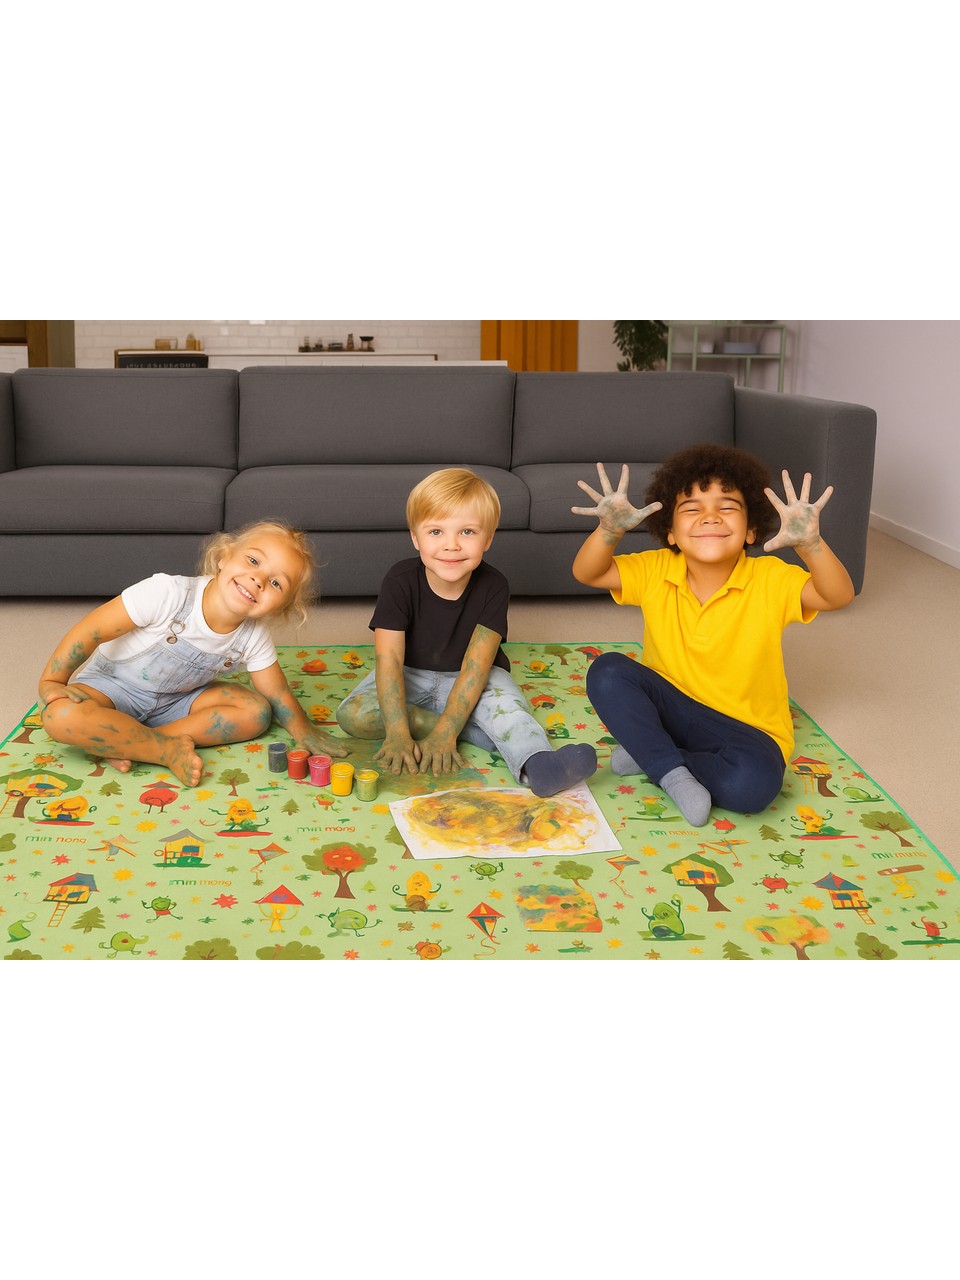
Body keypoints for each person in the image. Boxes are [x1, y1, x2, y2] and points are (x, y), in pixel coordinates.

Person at [571, 445, 855, 827]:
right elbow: (588, 573)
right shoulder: (655, 569)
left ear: (751, 529)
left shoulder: (770, 577)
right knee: (606, 672)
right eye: (692, 509)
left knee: (753, 786)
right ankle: (670, 772)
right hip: (671, 709)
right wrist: (609, 530)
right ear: (670, 533)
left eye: (728, 507)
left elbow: (837, 596)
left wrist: (811, 545)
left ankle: (652, 754)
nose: (710, 516)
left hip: (746, 730)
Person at [336, 467, 597, 796]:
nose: (451, 545)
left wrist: (447, 732)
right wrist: (399, 731)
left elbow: (476, 667)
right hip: (409, 673)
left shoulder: (494, 586)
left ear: (488, 538)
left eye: (467, 532)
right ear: (415, 537)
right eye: (436, 532)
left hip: (476, 676)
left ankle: (540, 764)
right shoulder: (398, 580)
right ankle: (470, 732)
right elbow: (389, 660)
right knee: (353, 713)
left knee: (509, 712)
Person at [39, 520, 347, 788]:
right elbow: (91, 630)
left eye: (277, 583)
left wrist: (303, 729)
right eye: (253, 561)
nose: (259, 579)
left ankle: (128, 741)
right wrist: (53, 680)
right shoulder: (167, 593)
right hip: (110, 689)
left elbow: (276, 692)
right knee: (59, 716)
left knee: (256, 712)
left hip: (177, 702)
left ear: (280, 607)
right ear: (224, 556)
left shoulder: (253, 636)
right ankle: (163, 750)